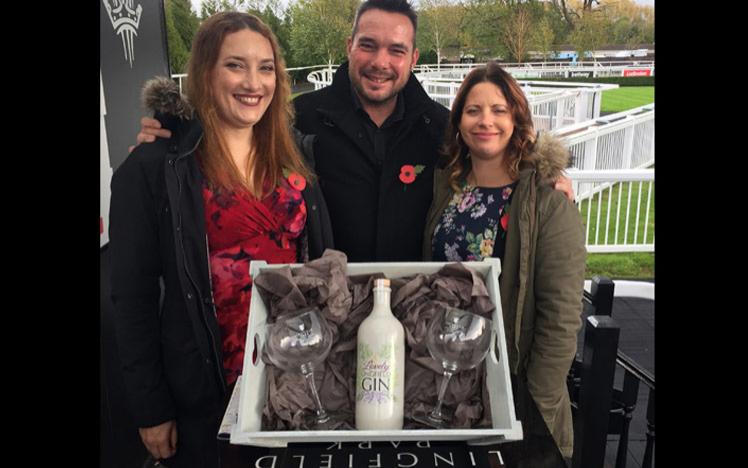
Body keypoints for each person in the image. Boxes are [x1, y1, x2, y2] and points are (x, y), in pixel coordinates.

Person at [135, 0, 574, 263]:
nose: (380, 61)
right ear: (349, 47)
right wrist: (178, 132)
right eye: (368, 44)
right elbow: (236, 121)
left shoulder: (442, 129)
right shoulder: (297, 119)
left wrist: (543, 171)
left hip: (415, 321)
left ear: (414, 57)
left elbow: (495, 149)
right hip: (324, 319)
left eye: (396, 50)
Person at [109, 12, 333, 467]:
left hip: (296, 385)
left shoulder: (294, 163)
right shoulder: (154, 169)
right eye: (235, 65)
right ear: (205, 72)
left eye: (266, 67)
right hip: (207, 397)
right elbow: (131, 299)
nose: (254, 82)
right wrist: (150, 408)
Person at [422, 61, 586, 461]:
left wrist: (537, 399)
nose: (485, 121)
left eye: (498, 110)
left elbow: (561, 314)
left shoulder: (546, 201)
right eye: (473, 110)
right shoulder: (448, 188)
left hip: (513, 384)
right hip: (444, 379)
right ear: (459, 120)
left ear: (516, 118)